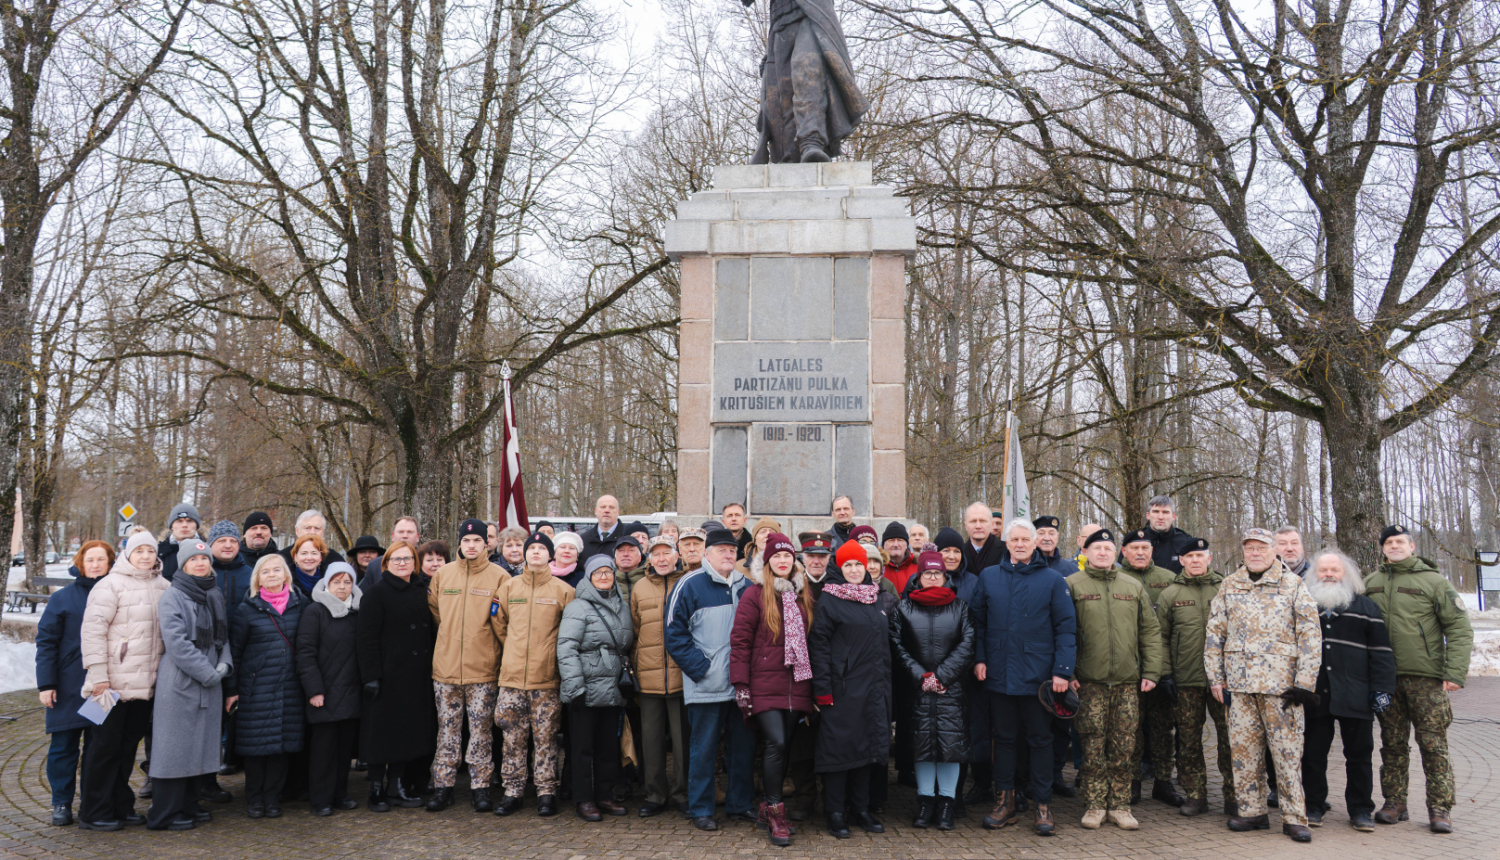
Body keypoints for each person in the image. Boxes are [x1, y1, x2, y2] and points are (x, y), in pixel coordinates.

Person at [1205, 527, 1321, 843]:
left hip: (1281, 689)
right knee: (1243, 753)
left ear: (1274, 552)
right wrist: (1216, 677)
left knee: (1286, 755)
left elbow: (1310, 637)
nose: (1255, 553)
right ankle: (1251, 811)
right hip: (1240, 687)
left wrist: (1305, 684)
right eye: (1249, 548)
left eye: (1261, 548)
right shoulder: (1230, 585)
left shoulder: (1293, 585)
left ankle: (1295, 817)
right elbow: (1215, 633)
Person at [969, 518, 1076, 835]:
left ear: (1034, 543)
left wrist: (1062, 671)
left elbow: (1066, 629)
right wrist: (979, 658)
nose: (1019, 544)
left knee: (1040, 740)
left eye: (1024, 540)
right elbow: (979, 624)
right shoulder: (989, 577)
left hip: (1038, 677)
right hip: (999, 674)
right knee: (1002, 740)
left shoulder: (1053, 580)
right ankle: (1005, 802)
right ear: (1007, 543)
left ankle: (1043, 806)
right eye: (1013, 540)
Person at [1365, 525, 1474, 834]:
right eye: (1389, 542)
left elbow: (1459, 628)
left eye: (1400, 541)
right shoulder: (1370, 583)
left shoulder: (1435, 582)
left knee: (1432, 744)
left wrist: (1454, 672)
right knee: (1392, 745)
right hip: (1386, 680)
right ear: (1383, 548)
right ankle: (1394, 802)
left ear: (1412, 546)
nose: (1394, 546)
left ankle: (1440, 808)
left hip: (1427, 680)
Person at [1066, 529, 1162, 832]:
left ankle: (1120, 806)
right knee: (1093, 744)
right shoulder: (1071, 585)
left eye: (1108, 548)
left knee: (1124, 746)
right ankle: (1094, 805)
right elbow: (1062, 632)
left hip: (1127, 682)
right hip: (1088, 682)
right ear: (1086, 551)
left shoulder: (1132, 586)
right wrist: (1067, 672)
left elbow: (1149, 630)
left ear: (1115, 553)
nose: (1103, 553)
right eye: (1097, 548)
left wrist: (1151, 672)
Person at [77, 529, 169, 830]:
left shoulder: (165, 586)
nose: (145, 556)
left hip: (145, 687)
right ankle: (94, 811)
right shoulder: (109, 586)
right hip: (110, 686)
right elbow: (92, 633)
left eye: (150, 551)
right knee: (103, 749)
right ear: (128, 553)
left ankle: (120, 804)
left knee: (127, 747)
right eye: (139, 551)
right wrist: (98, 676)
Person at [664, 528, 754, 831]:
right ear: (707, 554)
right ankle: (700, 808)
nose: (728, 555)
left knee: (742, 749)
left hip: (741, 686)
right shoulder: (689, 585)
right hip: (706, 685)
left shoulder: (748, 586)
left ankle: (739, 805)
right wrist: (702, 669)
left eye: (732, 550)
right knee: (703, 750)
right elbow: (674, 635)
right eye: (721, 550)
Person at [730, 533, 816, 847]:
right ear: (767, 562)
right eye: (776, 557)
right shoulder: (755, 595)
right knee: (776, 742)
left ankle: (768, 807)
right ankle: (776, 811)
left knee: (785, 746)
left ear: (794, 561)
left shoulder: (803, 595)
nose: (783, 561)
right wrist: (740, 684)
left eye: (787, 556)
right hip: (764, 684)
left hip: (797, 684)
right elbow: (739, 642)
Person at [1300, 550, 1395, 832]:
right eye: (1323, 570)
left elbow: (1381, 654)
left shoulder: (1366, 608)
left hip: (1357, 693)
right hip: (1315, 694)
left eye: (1335, 570)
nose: (1329, 574)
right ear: (1314, 574)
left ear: (1346, 574)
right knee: (1313, 755)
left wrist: (1382, 689)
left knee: (1359, 756)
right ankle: (1314, 805)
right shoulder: (1305, 605)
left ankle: (1361, 809)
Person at [808, 539, 893, 839]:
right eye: (848, 565)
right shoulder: (830, 600)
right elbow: (818, 647)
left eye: (859, 564)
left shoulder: (874, 598)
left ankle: (860, 809)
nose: (855, 570)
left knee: (867, 751)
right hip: (841, 689)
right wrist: (822, 690)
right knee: (838, 753)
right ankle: (835, 812)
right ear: (838, 568)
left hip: (872, 689)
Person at [147, 541, 232, 831]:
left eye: (204, 558)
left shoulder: (214, 593)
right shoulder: (173, 595)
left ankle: (189, 804)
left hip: (210, 682)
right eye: (193, 559)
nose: (200, 563)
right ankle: (166, 813)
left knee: (200, 747)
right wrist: (207, 671)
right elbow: (177, 643)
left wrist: (225, 664)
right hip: (182, 683)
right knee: (174, 750)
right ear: (183, 565)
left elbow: (223, 636)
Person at [490, 532, 575, 817]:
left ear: (550, 556)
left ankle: (546, 791)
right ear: (524, 554)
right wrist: (515, 650)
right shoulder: (509, 588)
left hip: (546, 678)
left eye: (542, 548)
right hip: (512, 678)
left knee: (546, 738)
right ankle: (512, 791)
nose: (536, 552)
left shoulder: (563, 591)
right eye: (532, 548)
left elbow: (569, 633)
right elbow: (499, 624)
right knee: (513, 738)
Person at [891, 550, 975, 832]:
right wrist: (922, 677)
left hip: (950, 690)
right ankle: (926, 802)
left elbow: (968, 644)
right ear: (919, 576)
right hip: (918, 690)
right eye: (927, 573)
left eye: (937, 573)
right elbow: (896, 645)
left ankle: (947, 804)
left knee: (950, 747)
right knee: (922, 747)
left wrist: (941, 677)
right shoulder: (904, 608)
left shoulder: (960, 607)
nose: (932, 577)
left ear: (945, 576)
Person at [425, 519, 505, 813]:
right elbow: (435, 613)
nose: (471, 546)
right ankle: (443, 787)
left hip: (482, 669)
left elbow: (501, 619)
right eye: (466, 540)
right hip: (445, 670)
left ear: (486, 544)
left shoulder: (499, 576)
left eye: (477, 541)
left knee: (481, 732)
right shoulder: (443, 575)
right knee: (447, 731)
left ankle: (481, 787)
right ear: (459, 543)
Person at [36, 540, 114, 827]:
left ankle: (94, 803)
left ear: (110, 563)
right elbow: (46, 643)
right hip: (68, 686)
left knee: (98, 749)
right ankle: (61, 802)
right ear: (80, 563)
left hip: (103, 688)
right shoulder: (63, 599)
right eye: (90, 559)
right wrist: (46, 684)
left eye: (101, 560)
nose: (95, 564)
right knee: (64, 747)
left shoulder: (117, 593)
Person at [1155, 537, 1235, 817]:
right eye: (1190, 556)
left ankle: (1233, 796)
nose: (1196, 560)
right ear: (1182, 560)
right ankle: (1195, 794)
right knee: (1188, 741)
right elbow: (1161, 637)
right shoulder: (1170, 593)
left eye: (1201, 555)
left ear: (1209, 558)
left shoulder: (1226, 587)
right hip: (1186, 680)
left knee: (1230, 739)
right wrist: (1166, 673)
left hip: (1223, 681)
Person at [357, 541, 437, 811]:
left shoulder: (419, 591)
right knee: (381, 734)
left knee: (407, 732)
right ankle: (376, 789)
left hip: (414, 676)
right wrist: (371, 675)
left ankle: (397, 785)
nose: (402, 563)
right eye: (396, 559)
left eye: (407, 559)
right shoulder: (377, 593)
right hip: (386, 675)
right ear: (386, 563)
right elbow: (365, 638)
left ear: (415, 563)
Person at [227, 553, 307, 819]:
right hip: (256, 689)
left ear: (286, 575)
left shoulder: (301, 605)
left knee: (280, 748)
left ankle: (272, 799)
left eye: (276, 570)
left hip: (291, 689)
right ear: (257, 578)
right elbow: (235, 652)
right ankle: (254, 799)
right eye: (265, 571)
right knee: (256, 748)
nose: (272, 575)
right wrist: (233, 689)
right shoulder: (247, 609)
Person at [557, 555, 635, 820]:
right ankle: (583, 799)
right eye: (598, 572)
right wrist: (575, 687)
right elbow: (566, 648)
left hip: (612, 687)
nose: (604, 576)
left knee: (607, 747)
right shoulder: (578, 607)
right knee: (581, 749)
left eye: (608, 572)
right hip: (586, 687)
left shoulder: (622, 606)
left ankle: (605, 795)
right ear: (589, 577)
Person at [1118, 528, 1182, 806]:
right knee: (1130, 729)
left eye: (1145, 548)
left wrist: (1166, 670)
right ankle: (1132, 783)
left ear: (1152, 551)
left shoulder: (1168, 580)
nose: (1140, 553)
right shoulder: (1116, 578)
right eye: (1134, 548)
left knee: (1162, 729)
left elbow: (1175, 628)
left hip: (1162, 668)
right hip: (1128, 669)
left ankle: (1163, 782)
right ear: (1124, 552)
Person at [295, 562, 363, 816]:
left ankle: (340, 794)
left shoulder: (358, 611)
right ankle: (320, 798)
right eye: (337, 582)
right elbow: (305, 653)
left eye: (347, 582)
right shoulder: (315, 611)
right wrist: (314, 690)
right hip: (323, 692)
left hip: (351, 691)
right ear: (326, 584)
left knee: (344, 749)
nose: (342, 587)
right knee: (323, 750)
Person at [632, 535, 688, 817]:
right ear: (649, 558)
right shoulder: (640, 587)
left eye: (667, 553)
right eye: (657, 554)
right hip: (649, 679)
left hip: (682, 677)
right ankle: (654, 795)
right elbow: (634, 629)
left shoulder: (688, 582)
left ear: (676, 556)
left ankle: (682, 793)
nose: (662, 558)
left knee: (682, 742)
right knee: (651, 742)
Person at [279, 509, 347, 576]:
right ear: (297, 531)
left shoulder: (335, 560)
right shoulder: (282, 558)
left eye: (317, 528)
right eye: (307, 528)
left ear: (323, 532)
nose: (312, 532)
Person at [1139, 495, 1192, 574]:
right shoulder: (1135, 540)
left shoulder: (1186, 542)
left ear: (1173, 516)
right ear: (1148, 515)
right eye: (1156, 511)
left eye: (1165, 512)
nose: (1160, 517)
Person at [363, 516, 422, 583]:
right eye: (400, 532)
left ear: (418, 537)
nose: (405, 535)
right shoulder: (375, 566)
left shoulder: (427, 563)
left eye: (410, 532)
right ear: (392, 536)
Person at [157, 503, 203, 581]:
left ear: (196, 526)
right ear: (171, 526)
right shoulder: (159, 553)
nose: (184, 525)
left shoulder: (208, 550)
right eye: (179, 521)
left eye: (189, 521)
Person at [961, 501, 1006, 579]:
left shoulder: (1007, 550)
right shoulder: (959, 553)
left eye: (983, 521)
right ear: (966, 525)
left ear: (991, 524)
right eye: (973, 521)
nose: (978, 526)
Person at [732, 516, 782, 582]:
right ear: (755, 540)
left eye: (772, 532)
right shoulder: (738, 568)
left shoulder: (791, 567)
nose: (767, 535)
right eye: (762, 532)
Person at [580, 495, 624, 560]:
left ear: (618, 512)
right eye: (603, 507)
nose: (607, 510)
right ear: (596, 511)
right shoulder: (583, 540)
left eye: (611, 507)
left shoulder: (628, 537)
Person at [881, 522, 917, 593]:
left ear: (907, 545)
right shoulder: (877, 569)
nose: (896, 544)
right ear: (884, 545)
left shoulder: (918, 568)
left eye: (900, 540)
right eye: (891, 540)